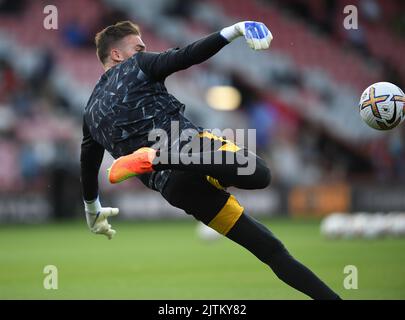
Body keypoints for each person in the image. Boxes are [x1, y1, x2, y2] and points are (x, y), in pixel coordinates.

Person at [80, 20, 341, 300]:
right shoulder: (138, 65)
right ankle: (156, 157)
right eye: (138, 46)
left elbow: (88, 162)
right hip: (191, 147)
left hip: (175, 189)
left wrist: (92, 209)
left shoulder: (90, 114)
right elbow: (188, 54)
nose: (145, 49)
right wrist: (236, 29)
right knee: (261, 179)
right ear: (117, 54)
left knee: (269, 249)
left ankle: (156, 159)